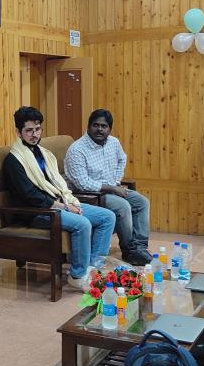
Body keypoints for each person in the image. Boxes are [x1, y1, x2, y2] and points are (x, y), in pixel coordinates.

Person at [3, 106, 116, 291]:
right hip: (36, 212)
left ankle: (93, 268)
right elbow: (30, 196)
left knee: (107, 217)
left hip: (60, 203)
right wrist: (64, 207)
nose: (34, 134)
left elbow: (57, 184)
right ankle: (77, 276)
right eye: (29, 130)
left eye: (37, 129)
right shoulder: (14, 160)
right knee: (82, 224)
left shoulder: (43, 153)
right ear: (18, 132)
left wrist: (69, 202)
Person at [64, 109, 152, 265]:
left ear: (109, 129)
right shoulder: (77, 149)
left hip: (112, 188)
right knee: (122, 206)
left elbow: (122, 159)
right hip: (89, 195)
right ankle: (129, 251)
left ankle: (139, 247)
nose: (99, 129)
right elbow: (82, 183)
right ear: (88, 126)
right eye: (95, 125)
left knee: (142, 202)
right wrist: (112, 188)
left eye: (104, 126)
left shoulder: (113, 142)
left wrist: (116, 180)